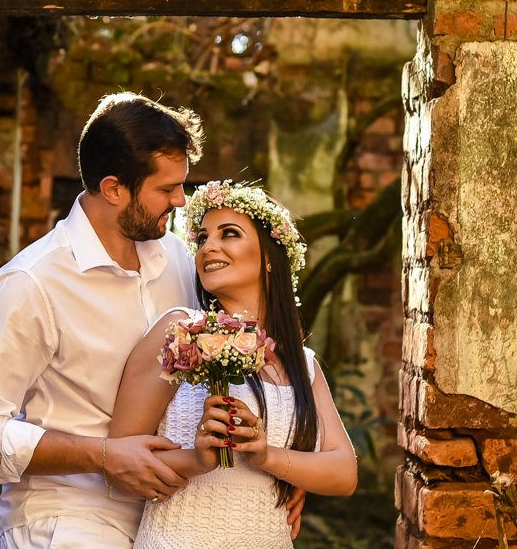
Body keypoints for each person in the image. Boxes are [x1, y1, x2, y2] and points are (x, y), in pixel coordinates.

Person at [0, 93, 304, 548]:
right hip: (69, 518)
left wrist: (285, 468)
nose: (180, 199)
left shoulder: (178, 259)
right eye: (166, 188)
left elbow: (238, 361)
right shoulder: (28, 284)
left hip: (173, 515)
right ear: (114, 189)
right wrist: (102, 456)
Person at [110, 180, 359, 549]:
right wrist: (197, 459)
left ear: (271, 256)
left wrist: (268, 457)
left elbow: (344, 473)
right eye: (202, 238)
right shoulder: (178, 333)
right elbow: (117, 462)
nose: (209, 246)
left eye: (229, 234)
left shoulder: (302, 365)